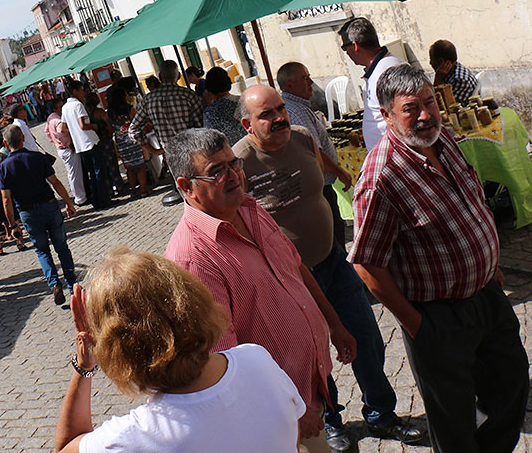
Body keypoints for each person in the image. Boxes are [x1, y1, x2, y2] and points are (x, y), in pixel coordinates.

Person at [349, 64, 528, 453]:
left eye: (429, 102)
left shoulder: (444, 138)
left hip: (486, 295)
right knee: (453, 419)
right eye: (411, 108)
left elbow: (471, 201)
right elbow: (367, 263)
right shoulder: (382, 177)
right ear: (387, 116)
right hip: (437, 316)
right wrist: (416, 324)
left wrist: (492, 263)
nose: (426, 114)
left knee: (512, 381)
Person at [234, 85, 422, 451]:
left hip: (334, 260)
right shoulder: (240, 164)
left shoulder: (302, 138)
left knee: (366, 337)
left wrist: (343, 173)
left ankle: (381, 413)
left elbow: (320, 162)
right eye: (266, 115)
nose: (278, 119)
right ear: (247, 124)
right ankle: (330, 421)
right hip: (289, 280)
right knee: (313, 355)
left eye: (280, 110)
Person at [164, 127, 356, 453]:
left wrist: (334, 324)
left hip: (309, 386)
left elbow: (295, 268)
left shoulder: (250, 208)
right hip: (276, 417)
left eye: (233, 164)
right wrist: (290, 414)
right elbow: (222, 364)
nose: (233, 175)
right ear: (186, 186)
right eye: (216, 172)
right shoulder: (192, 258)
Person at [55, 249, 306, 452]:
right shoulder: (256, 359)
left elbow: (67, 446)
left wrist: (84, 365)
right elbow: (292, 439)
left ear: (118, 349)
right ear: (190, 299)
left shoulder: (136, 437)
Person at [0, 125, 77, 305]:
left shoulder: (3, 167)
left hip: (27, 213)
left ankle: (54, 284)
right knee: (62, 247)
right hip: (49, 206)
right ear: (23, 139)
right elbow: (55, 182)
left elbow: (6, 200)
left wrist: (13, 225)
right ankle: (72, 284)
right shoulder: (38, 158)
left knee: (42, 250)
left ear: (5, 143)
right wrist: (68, 202)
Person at [278, 62, 353, 249]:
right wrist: (340, 172)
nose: (311, 82)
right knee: (334, 239)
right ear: (289, 85)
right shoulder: (296, 111)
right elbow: (315, 152)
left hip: (319, 185)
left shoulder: (297, 107)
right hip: (319, 187)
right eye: (305, 78)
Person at [338, 17, 405, 150]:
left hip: (395, 154)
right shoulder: (380, 70)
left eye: (345, 48)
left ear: (355, 46)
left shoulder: (386, 72)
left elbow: (403, 117)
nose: (347, 53)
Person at [128, 60, 204, 152]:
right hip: (194, 150)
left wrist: (154, 151)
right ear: (178, 76)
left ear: (160, 77)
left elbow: (133, 130)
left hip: (170, 154)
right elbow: (201, 125)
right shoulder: (188, 95)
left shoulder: (148, 100)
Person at [60, 81, 110, 209]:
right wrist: (94, 126)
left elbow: (63, 128)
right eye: (81, 90)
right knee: (99, 171)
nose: (84, 93)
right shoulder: (78, 105)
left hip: (79, 145)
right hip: (89, 141)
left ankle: (96, 200)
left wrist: (73, 129)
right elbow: (83, 125)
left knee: (92, 173)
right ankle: (103, 200)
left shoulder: (65, 107)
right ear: (75, 91)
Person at [106, 83, 149, 199]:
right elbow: (139, 121)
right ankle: (144, 190)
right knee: (140, 165)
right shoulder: (129, 109)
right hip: (133, 139)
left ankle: (133, 191)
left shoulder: (110, 113)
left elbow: (110, 128)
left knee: (129, 168)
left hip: (121, 142)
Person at [85, 92, 126, 197]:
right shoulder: (100, 112)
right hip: (105, 140)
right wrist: (111, 132)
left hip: (96, 142)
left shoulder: (87, 113)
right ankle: (120, 187)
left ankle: (109, 190)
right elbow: (109, 124)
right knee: (112, 164)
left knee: (104, 167)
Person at [46, 98, 86, 206]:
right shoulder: (58, 120)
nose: (62, 108)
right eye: (60, 106)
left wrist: (54, 141)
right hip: (66, 148)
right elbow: (61, 132)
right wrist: (69, 143)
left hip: (61, 148)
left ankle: (80, 195)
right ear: (55, 108)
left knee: (72, 172)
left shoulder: (50, 118)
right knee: (75, 173)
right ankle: (80, 197)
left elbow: (47, 132)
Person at [202, 66, 244, 146]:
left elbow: (211, 140)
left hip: (230, 153)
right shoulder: (243, 101)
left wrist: (209, 102)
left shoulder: (210, 112)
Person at [429, 39, 478, 104]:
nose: (430, 63)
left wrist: (438, 79)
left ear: (441, 61)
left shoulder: (459, 79)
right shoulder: (450, 72)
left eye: (432, 59)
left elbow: (446, 106)